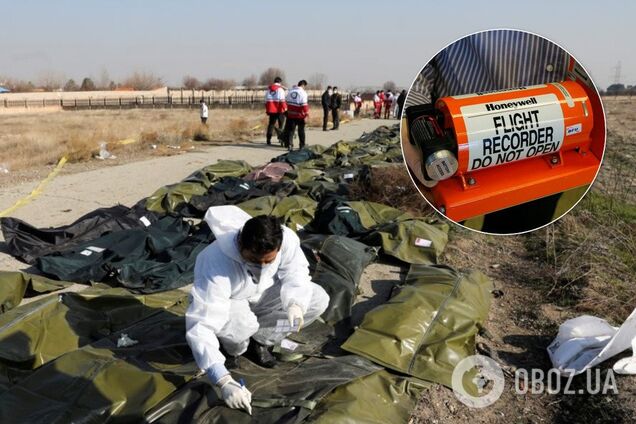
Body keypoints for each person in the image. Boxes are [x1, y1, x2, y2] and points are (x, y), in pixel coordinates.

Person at [186, 205, 330, 414]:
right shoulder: (215, 261)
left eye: (268, 261)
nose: (262, 266)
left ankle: (261, 340)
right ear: (240, 245)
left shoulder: (286, 239)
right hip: (232, 300)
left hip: (264, 292)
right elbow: (201, 324)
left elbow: (296, 272)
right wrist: (222, 379)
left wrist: (296, 303)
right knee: (241, 332)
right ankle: (238, 346)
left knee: (317, 298)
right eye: (254, 260)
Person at [282, 80, 309, 151]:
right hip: (300, 115)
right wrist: (306, 114)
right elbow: (304, 106)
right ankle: (302, 145)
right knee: (301, 130)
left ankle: (290, 145)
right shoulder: (303, 93)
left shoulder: (290, 91)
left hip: (291, 114)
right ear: (303, 85)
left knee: (291, 130)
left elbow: (286, 101)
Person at [264, 77, 287, 145]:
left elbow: (265, 101)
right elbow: (282, 101)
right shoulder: (280, 90)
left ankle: (268, 139)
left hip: (271, 110)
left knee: (271, 125)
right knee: (281, 125)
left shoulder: (268, 90)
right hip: (280, 110)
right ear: (280, 82)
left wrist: (267, 109)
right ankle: (280, 139)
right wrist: (285, 109)